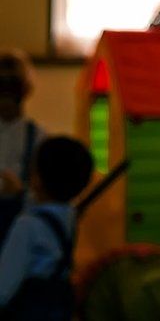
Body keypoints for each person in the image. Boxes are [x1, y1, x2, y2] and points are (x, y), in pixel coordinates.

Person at [0, 135, 94, 320]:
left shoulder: (27, 225)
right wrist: (20, 193)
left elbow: (3, 289)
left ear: (37, 179)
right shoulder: (69, 216)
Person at [0, 50, 45, 248]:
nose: (6, 97)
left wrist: (21, 191)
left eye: (12, 87)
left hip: (21, 232)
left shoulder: (37, 136)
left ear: (24, 90)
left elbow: (46, 195)